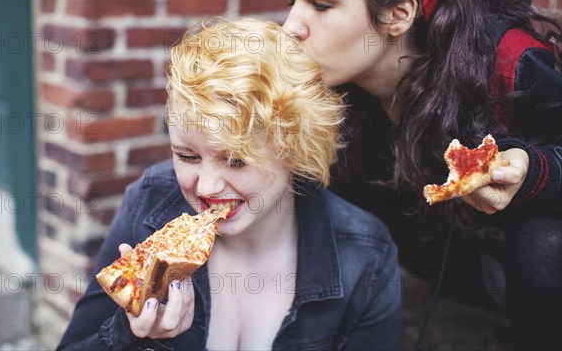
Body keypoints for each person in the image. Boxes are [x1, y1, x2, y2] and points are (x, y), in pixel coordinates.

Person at [274, 0, 561, 349]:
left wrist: (533, 171)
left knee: (542, 240)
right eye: (292, 0)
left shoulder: (508, 62)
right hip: (447, 262)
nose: (290, 27)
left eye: (321, 4)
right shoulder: (328, 87)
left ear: (397, 13)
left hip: (533, 270)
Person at [57, 19, 402, 350]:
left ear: (295, 150)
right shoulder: (147, 201)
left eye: (237, 160)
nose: (206, 187)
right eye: (188, 156)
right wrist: (128, 336)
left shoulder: (365, 254)